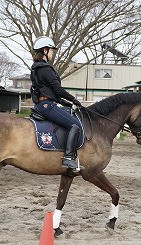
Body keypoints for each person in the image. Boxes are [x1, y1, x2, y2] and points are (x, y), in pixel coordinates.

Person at [30, 36, 83, 170]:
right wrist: (74, 99)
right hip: (47, 106)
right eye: (52, 50)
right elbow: (58, 90)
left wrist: (67, 103)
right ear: (45, 50)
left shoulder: (36, 68)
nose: (53, 53)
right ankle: (68, 158)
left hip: (42, 104)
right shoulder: (46, 69)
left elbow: (50, 92)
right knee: (75, 125)